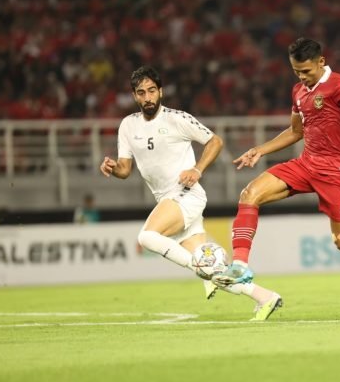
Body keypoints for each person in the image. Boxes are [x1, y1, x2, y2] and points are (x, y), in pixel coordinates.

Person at [213, 38, 340, 315]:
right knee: (250, 194)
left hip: (336, 171)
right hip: (307, 164)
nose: (302, 77)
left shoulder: (339, 84)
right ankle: (240, 265)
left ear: (321, 62)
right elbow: (296, 131)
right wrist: (260, 149)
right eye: (296, 71)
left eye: (306, 71)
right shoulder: (298, 90)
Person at [99, 66, 282, 321]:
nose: (147, 97)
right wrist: (112, 168)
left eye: (152, 91)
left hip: (186, 194)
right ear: (134, 96)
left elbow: (215, 141)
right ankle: (265, 297)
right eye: (141, 93)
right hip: (167, 199)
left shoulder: (177, 118)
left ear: (160, 92)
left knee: (147, 237)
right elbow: (125, 169)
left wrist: (197, 169)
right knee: (214, 270)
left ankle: (200, 269)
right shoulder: (128, 126)